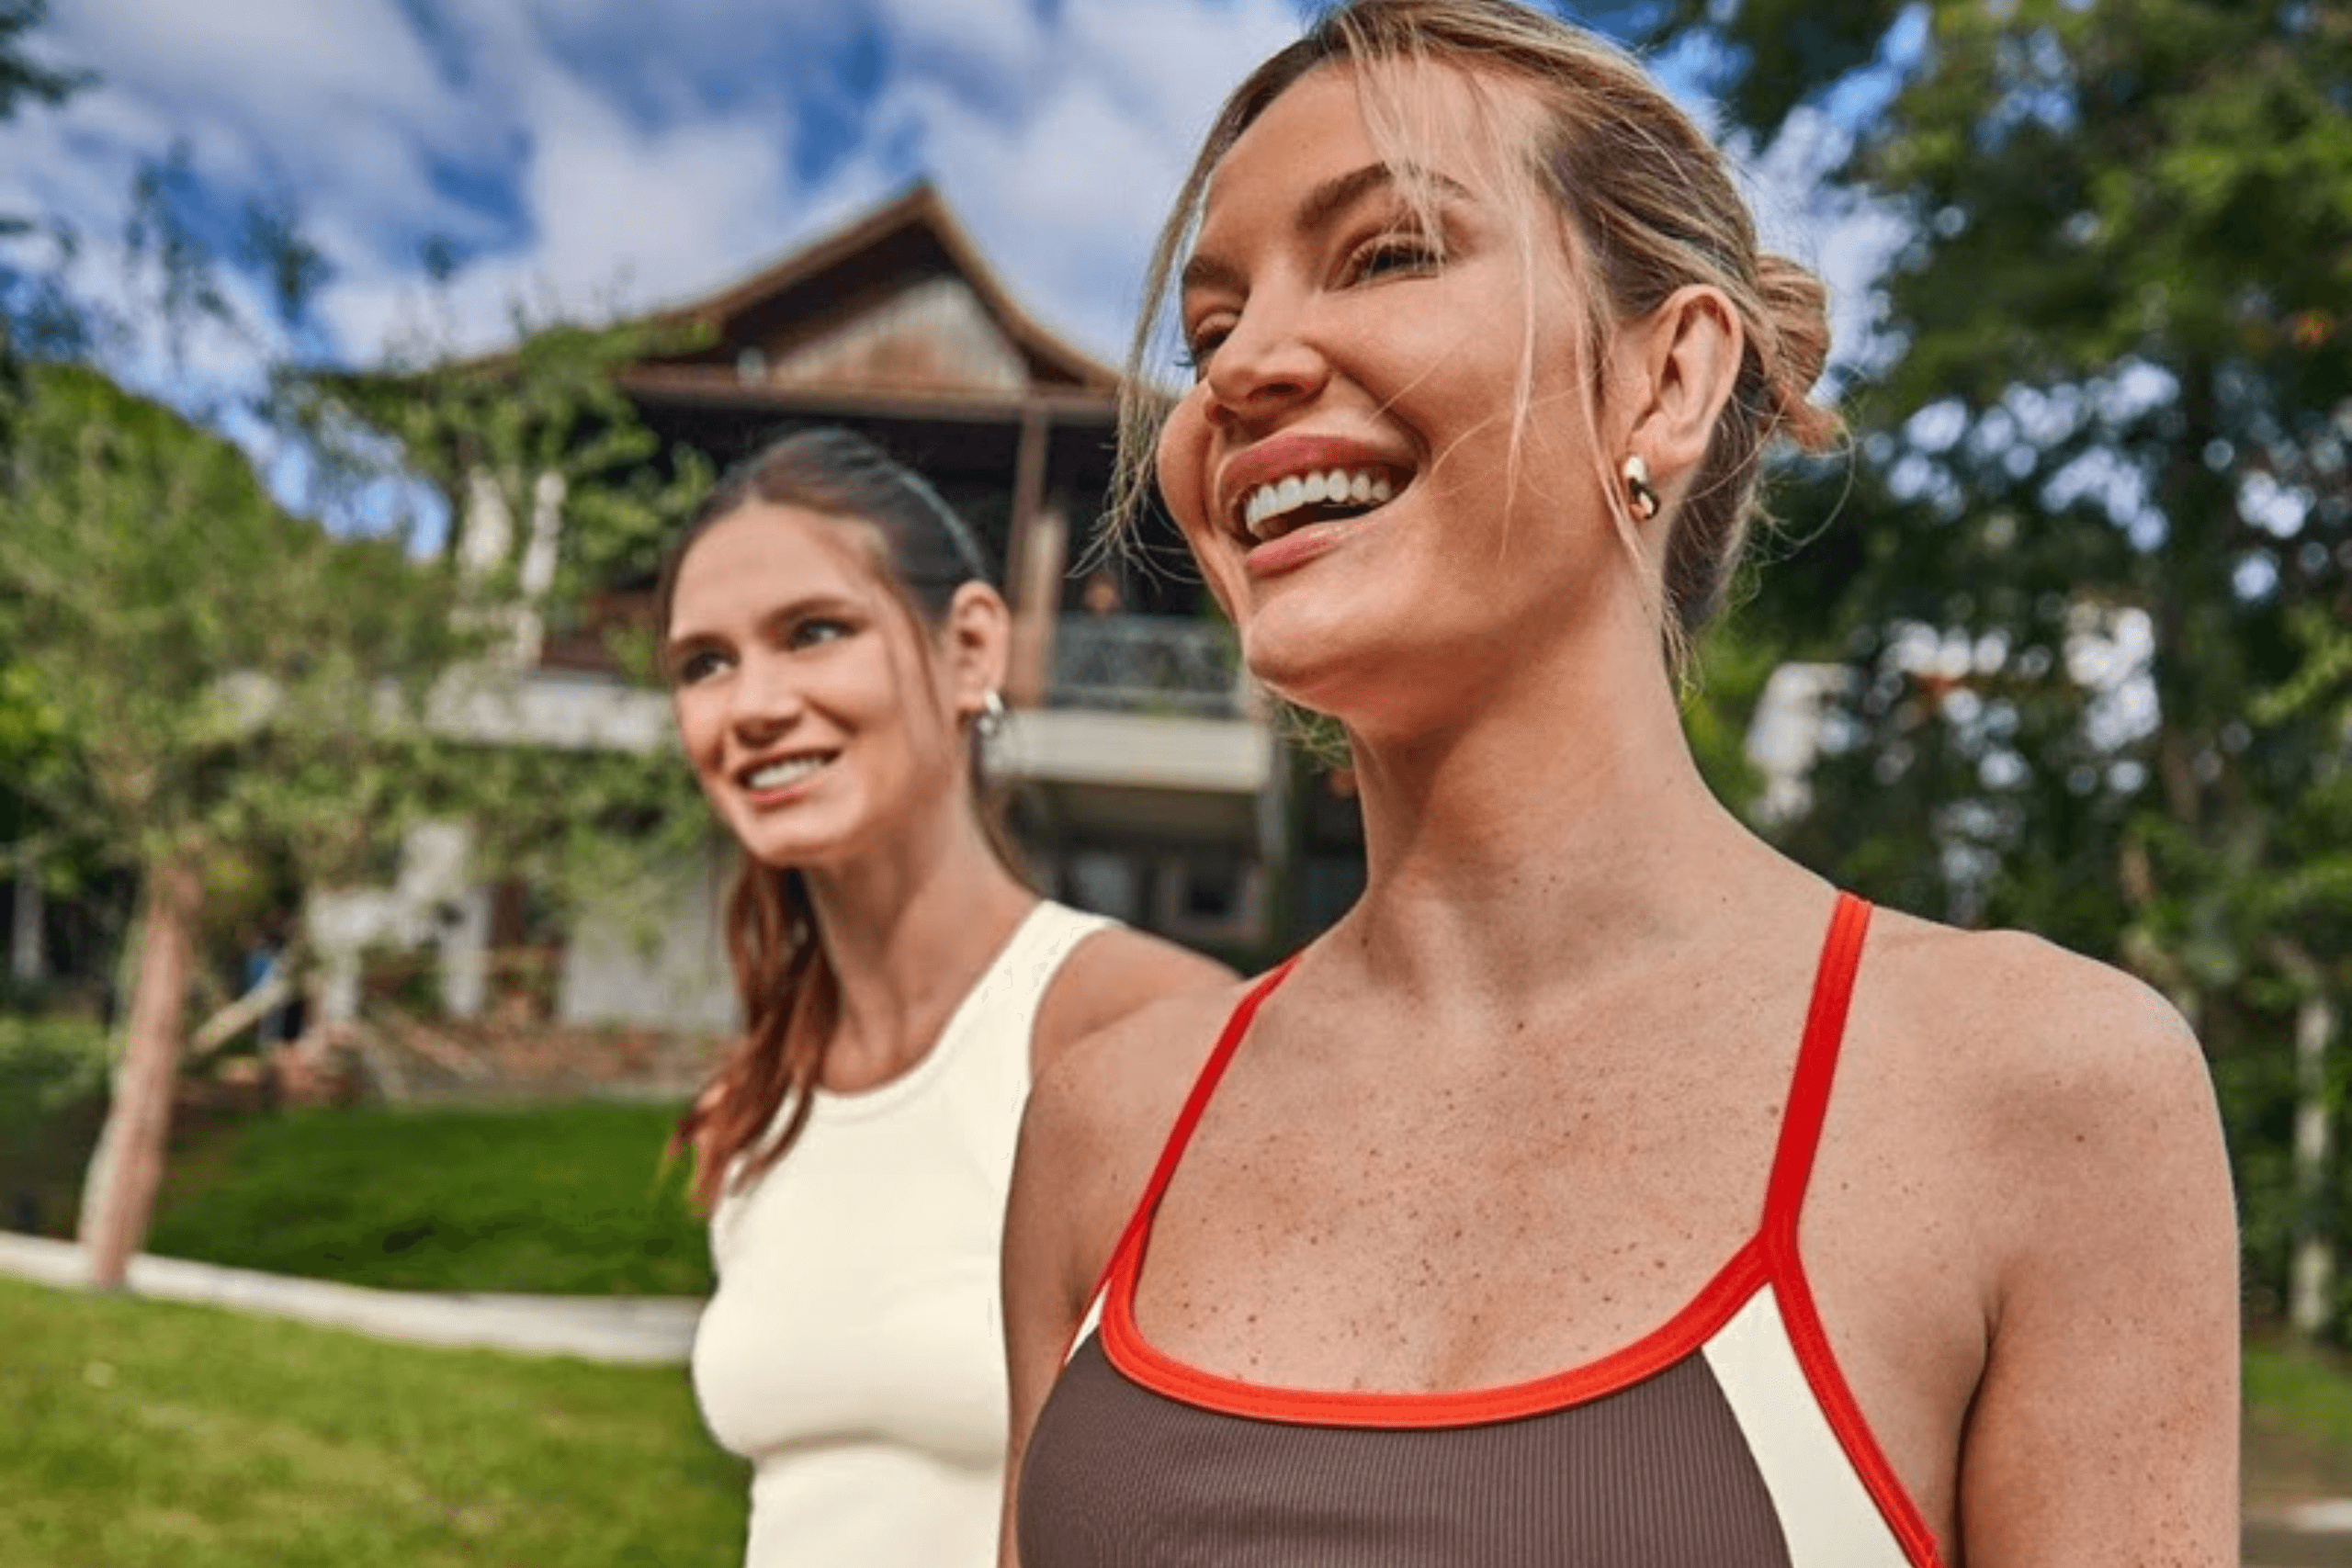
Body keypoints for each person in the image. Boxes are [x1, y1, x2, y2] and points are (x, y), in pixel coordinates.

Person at [999, 4, 2240, 1564]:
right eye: (1207, 331)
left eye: (1385, 255)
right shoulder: (1105, 1125)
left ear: (1666, 378)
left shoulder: (2043, 1093)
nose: (1242, 371)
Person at [660, 426, 1232, 1568]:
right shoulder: (753, 1102)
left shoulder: (1141, 1027)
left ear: (970, 645)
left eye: (814, 633)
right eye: (704, 664)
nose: (753, 705)